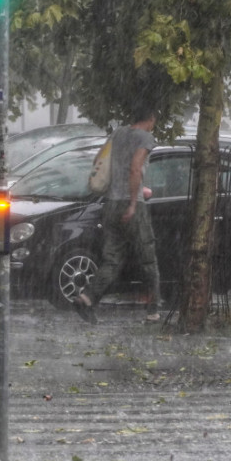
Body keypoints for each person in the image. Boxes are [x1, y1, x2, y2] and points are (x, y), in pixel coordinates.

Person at [72, 106, 161, 324]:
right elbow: (135, 169)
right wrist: (132, 202)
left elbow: (99, 161)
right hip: (132, 204)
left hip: (110, 203)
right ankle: (153, 312)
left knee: (112, 260)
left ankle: (87, 297)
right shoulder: (146, 138)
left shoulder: (118, 133)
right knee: (148, 260)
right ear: (150, 118)